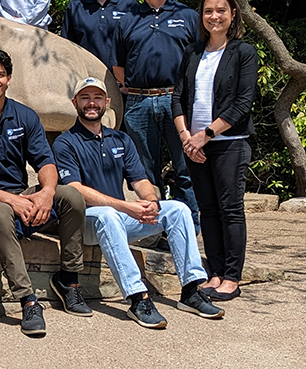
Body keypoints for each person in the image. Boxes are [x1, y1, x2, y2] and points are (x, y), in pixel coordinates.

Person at [53, 77, 224, 328]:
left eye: (97, 97)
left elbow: (140, 180)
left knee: (177, 209)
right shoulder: (65, 142)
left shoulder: (121, 140)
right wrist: (126, 207)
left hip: (121, 218)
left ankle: (191, 290)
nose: (92, 103)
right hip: (86, 223)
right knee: (107, 215)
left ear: (107, 103)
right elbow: (76, 189)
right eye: (85, 97)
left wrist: (151, 203)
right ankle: (137, 298)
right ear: (74, 102)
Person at [0, 49, 90, 337]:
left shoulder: (24, 116)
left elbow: (46, 162)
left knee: (71, 197)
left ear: (9, 79)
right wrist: (12, 200)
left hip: (22, 195)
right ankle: (28, 300)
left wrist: (46, 193)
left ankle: (69, 282)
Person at [173, 0, 258, 301]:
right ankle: (217, 272)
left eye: (221, 10)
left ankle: (232, 278)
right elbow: (177, 98)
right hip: (195, 146)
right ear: (202, 16)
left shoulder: (243, 52)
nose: (214, 16)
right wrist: (186, 138)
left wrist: (206, 134)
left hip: (228, 144)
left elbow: (242, 104)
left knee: (230, 209)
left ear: (232, 14)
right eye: (208, 11)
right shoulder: (193, 52)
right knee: (207, 210)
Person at [112, 0, 200, 232]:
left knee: (185, 166)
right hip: (138, 103)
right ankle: (155, 228)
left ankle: (189, 225)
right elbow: (118, 66)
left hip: (177, 101)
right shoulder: (127, 19)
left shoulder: (188, 16)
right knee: (145, 172)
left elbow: (200, 61)